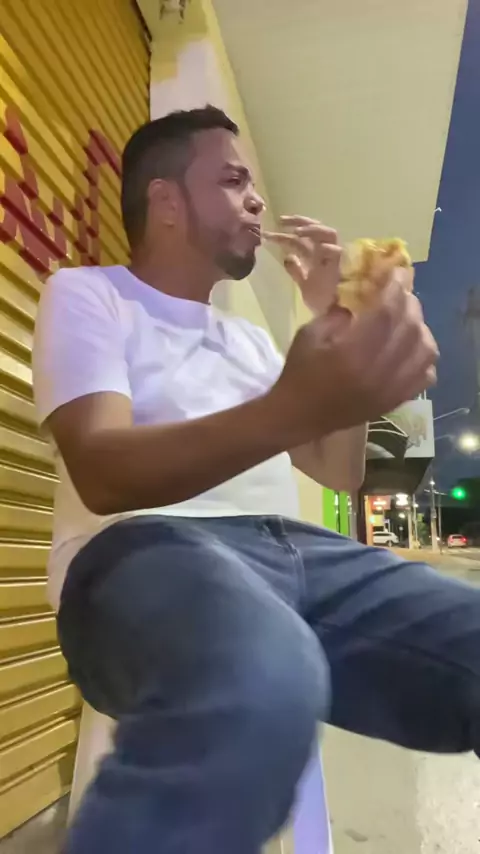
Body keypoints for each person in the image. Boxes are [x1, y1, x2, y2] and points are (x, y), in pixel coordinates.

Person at [32, 106, 478, 854]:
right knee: (260, 671)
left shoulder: (249, 338)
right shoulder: (89, 295)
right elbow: (102, 472)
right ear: (166, 201)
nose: (257, 200)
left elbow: (337, 470)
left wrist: (337, 319)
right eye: (234, 180)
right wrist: (290, 405)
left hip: (300, 558)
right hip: (141, 554)